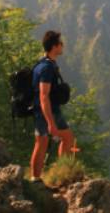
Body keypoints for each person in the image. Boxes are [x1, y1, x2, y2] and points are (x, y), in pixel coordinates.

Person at [29, 30, 74, 182]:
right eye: (60, 43)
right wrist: (51, 123)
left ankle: (35, 179)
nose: (63, 46)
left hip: (40, 111)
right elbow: (44, 95)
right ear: (54, 47)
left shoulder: (41, 64)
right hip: (48, 111)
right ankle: (62, 172)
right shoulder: (47, 68)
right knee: (66, 138)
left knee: (42, 143)